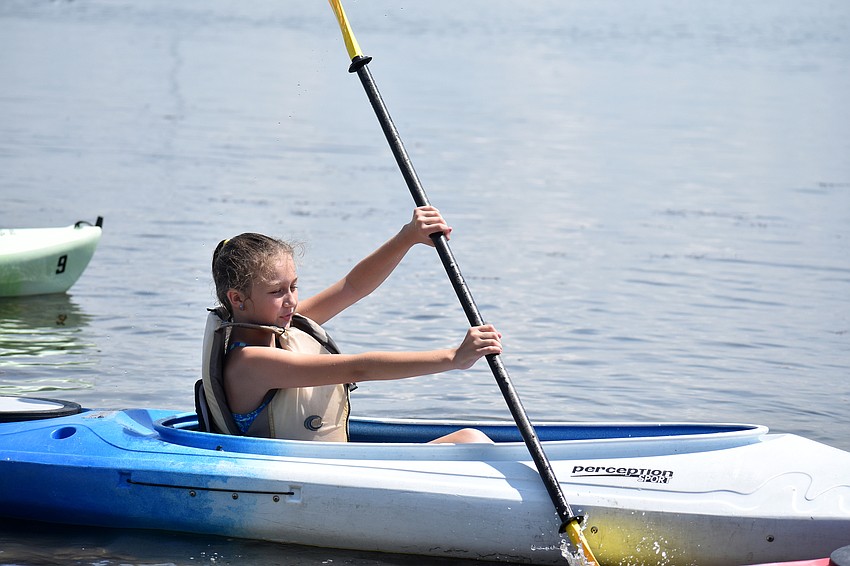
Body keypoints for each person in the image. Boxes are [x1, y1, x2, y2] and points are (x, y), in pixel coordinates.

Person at [210, 206, 501, 444]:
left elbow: (352, 286)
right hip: (307, 479)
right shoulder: (250, 362)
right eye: (277, 291)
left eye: (294, 287)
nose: (290, 300)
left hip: (329, 469)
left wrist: (408, 237)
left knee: (470, 440)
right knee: (470, 441)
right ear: (238, 298)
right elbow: (358, 368)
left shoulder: (280, 325)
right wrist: (453, 358)